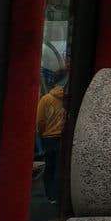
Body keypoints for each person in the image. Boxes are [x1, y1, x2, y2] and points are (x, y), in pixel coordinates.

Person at [34, 73, 68, 204]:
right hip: (64, 137)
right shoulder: (67, 99)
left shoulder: (46, 99)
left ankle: (50, 196)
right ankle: (60, 195)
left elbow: (40, 121)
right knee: (61, 167)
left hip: (49, 138)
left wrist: (42, 133)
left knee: (50, 167)